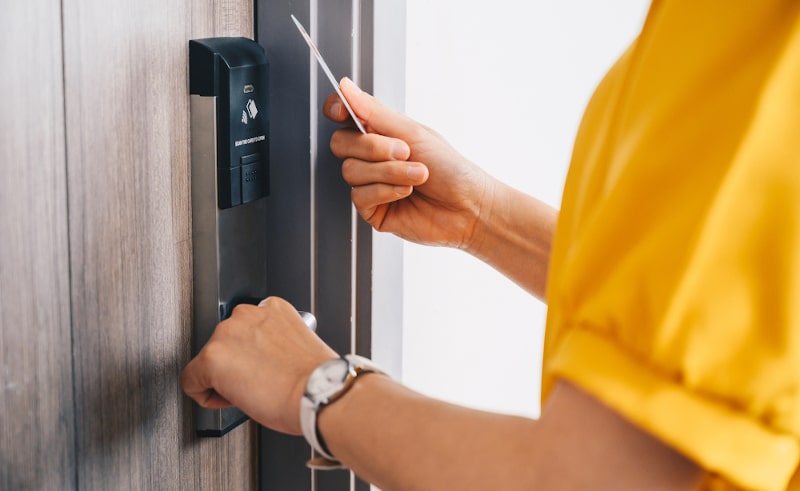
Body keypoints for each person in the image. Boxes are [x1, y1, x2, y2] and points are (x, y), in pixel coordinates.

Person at [181, 2, 800, 489]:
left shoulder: (763, 43)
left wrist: (314, 387)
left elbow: (589, 483)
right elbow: (723, 316)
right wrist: (484, 217)